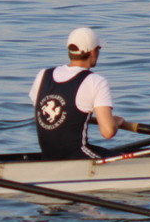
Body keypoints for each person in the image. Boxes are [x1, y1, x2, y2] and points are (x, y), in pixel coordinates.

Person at [29, 27, 125, 160]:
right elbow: (107, 132)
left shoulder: (43, 75)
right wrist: (115, 123)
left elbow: (42, 118)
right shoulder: (95, 81)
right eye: (99, 49)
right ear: (93, 52)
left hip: (48, 157)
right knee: (132, 161)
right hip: (78, 157)